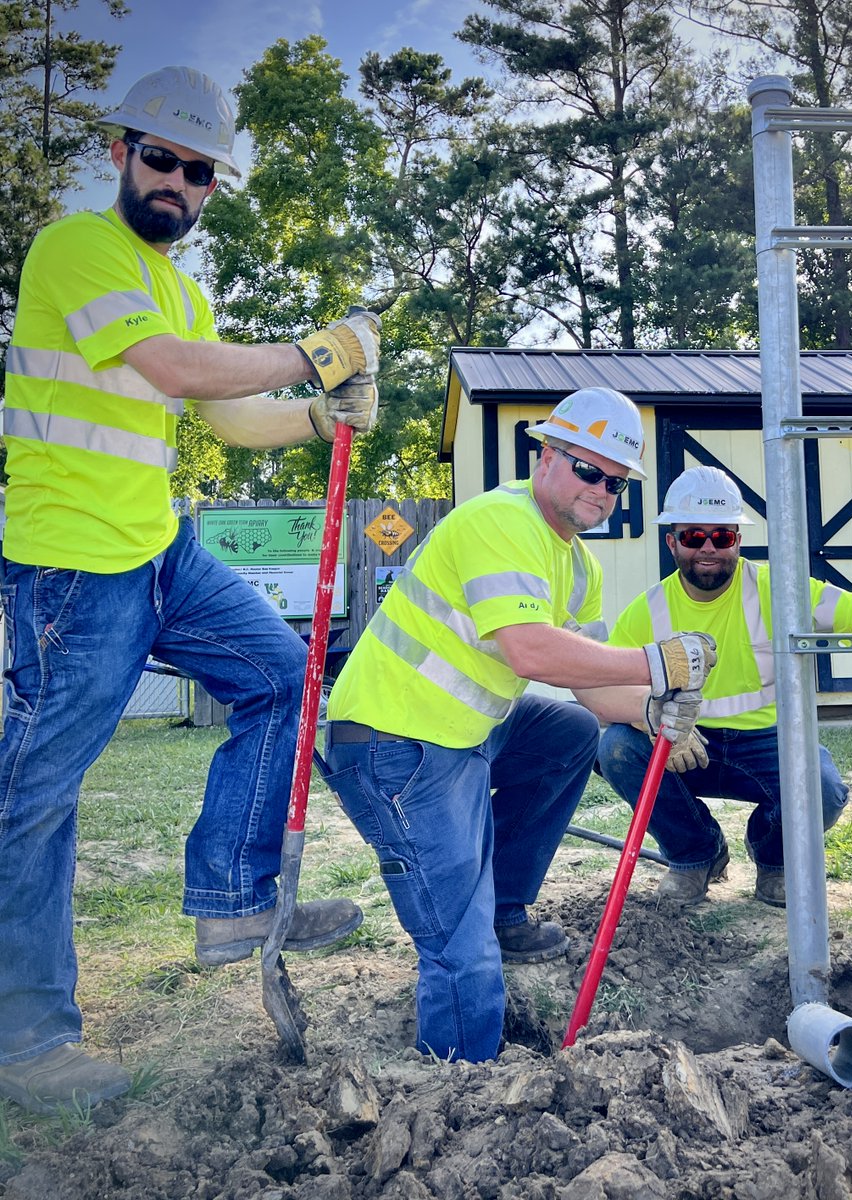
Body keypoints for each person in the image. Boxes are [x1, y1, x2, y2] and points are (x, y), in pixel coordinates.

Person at [0, 65, 383, 1114]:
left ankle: (231, 903)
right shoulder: (76, 251)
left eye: (197, 169)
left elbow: (224, 416)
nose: (175, 180)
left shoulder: (181, 288)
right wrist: (314, 351)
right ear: (120, 154)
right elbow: (176, 372)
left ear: (213, 185)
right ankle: (28, 1041)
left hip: (156, 549)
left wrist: (323, 413)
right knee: (35, 799)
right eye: (159, 157)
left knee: (280, 677)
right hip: (72, 565)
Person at [321, 386, 716, 1062]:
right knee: (461, 956)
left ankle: (506, 905)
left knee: (567, 734)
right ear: (546, 458)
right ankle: (463, 1085)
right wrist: (657, 662)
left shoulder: (578, 565)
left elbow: (587, 686)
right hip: (394, 744)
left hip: (466, 734)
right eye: (588, 469)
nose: (601, 489)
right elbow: (530, 650)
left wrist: (651, 710)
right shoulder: (501, 522)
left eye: (616, 482)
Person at [596, 466, 852, 907]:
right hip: (686, 742)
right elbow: (603, 691)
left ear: (738, 540)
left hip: (767, 742)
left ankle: (775, 862)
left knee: (823, 789)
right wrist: (653, 721)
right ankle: (696, 854)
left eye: (722, 536)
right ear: (672, 542)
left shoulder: (777, 589)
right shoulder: (647, 610)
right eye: (694, 537)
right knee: (615, 747)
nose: (708, 548)